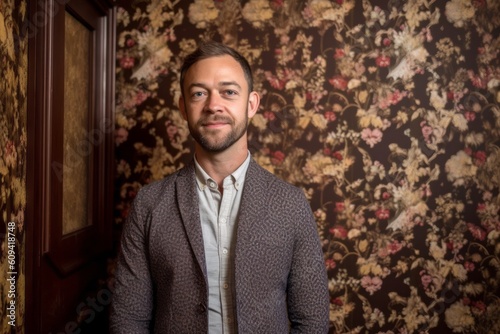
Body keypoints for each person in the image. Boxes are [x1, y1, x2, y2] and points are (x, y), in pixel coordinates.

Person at [110, 41, 330, 333]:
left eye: (228, 92)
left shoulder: (291, 204)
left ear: (251, 104)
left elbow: (312, 321)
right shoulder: (149, 204)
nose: (214, 105)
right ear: (184, 107)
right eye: (199, 93)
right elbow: (128, 320)